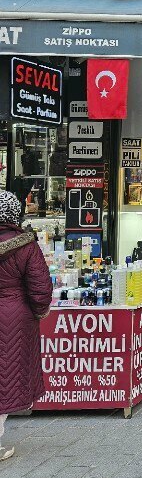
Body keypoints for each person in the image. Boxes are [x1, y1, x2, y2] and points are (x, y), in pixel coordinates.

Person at [0, 191, 52, 461]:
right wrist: (40, 311)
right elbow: (40, 288)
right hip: (14, 319)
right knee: (6, 376)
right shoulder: (25, 245)